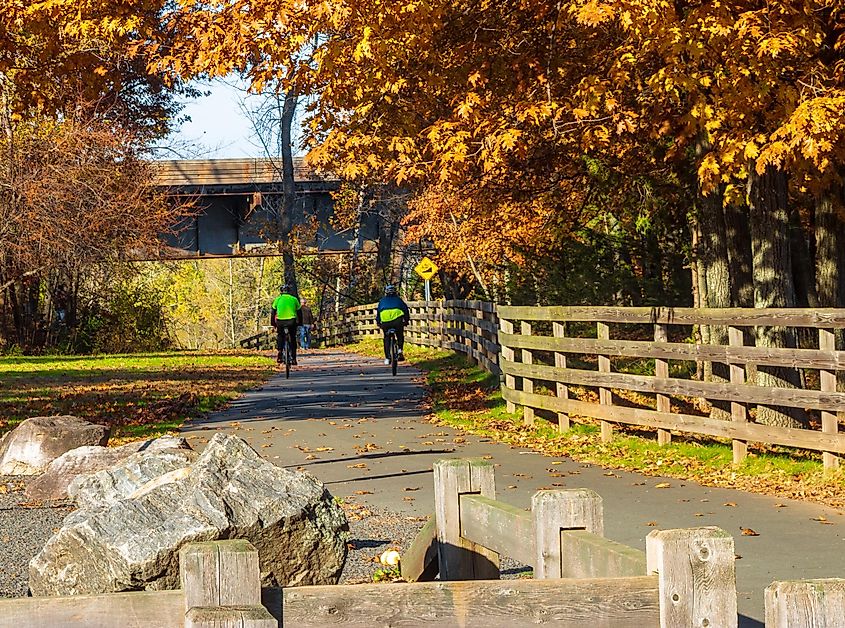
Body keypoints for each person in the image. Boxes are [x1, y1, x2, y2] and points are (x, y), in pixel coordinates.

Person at [376, 284, 410, 365]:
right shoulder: (399, 300)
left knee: (386, 338)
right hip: (397, 321)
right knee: (399, 334)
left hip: (385, 322)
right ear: (395, 292)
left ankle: (387, 358)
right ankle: (400, 350)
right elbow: (405, 310)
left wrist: (378, 322)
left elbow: (378, 313)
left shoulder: (382, 301)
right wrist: (406, 320)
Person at [271, 285, 301, 365]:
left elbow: (273, 312)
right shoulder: (294, 299)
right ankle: (294, 358)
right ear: (289, 291)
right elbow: (299, 312)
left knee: (280, 336)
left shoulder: (277, 299)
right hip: (291, 321)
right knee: (293, 338)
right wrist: (300, 322)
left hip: (280, 321)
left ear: (281, 292)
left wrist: (273, 323)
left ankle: (280, 352)